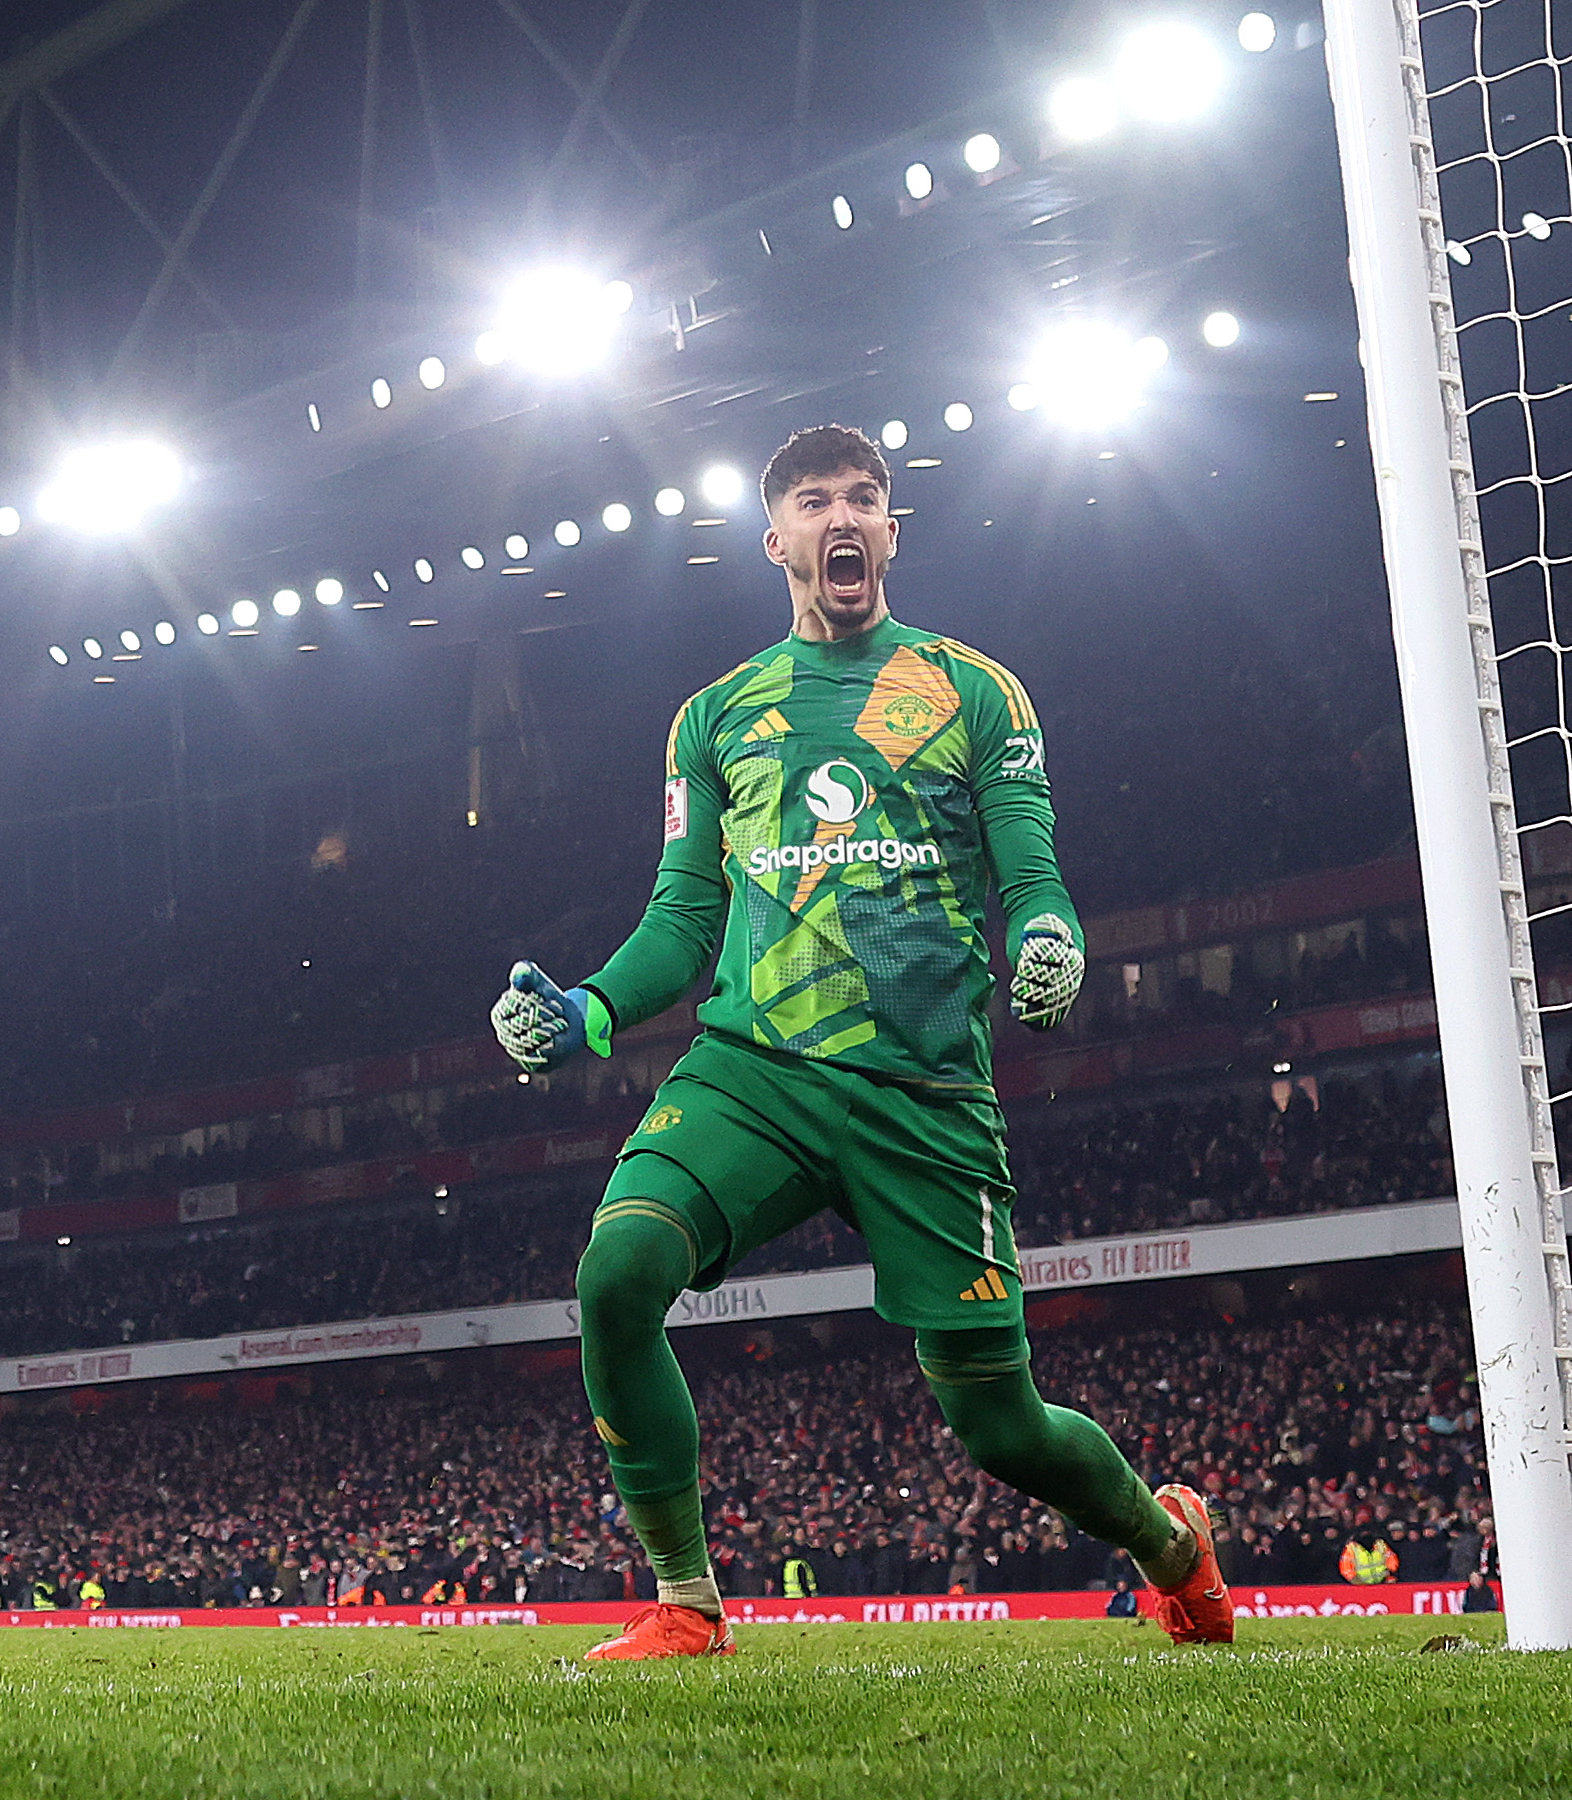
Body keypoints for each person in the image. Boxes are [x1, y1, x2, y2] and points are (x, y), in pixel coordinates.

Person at [492, 424, 1232, 1660]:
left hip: (923, 1090)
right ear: (774, 539)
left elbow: (1031, 877)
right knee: (616, 1275)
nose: (843, 518)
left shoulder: (974, 691)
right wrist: (587, 1012)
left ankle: (1168, 1546)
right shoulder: (713, 717)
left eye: (865, 499)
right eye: (814, 503)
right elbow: (682, 916)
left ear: (890, 531)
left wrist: (1050, 943)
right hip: (753, 1073)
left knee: (1000, 1431)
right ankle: (686, 1601)